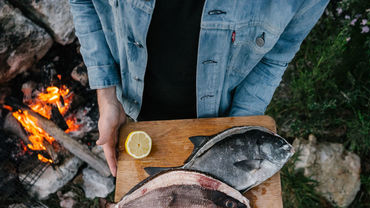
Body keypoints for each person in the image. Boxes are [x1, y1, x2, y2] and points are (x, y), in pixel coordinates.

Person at [69, 0, 329, 177]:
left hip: (217, 119)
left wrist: (234, 135)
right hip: (133, 109)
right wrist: (107, 97)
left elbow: (275, 56)